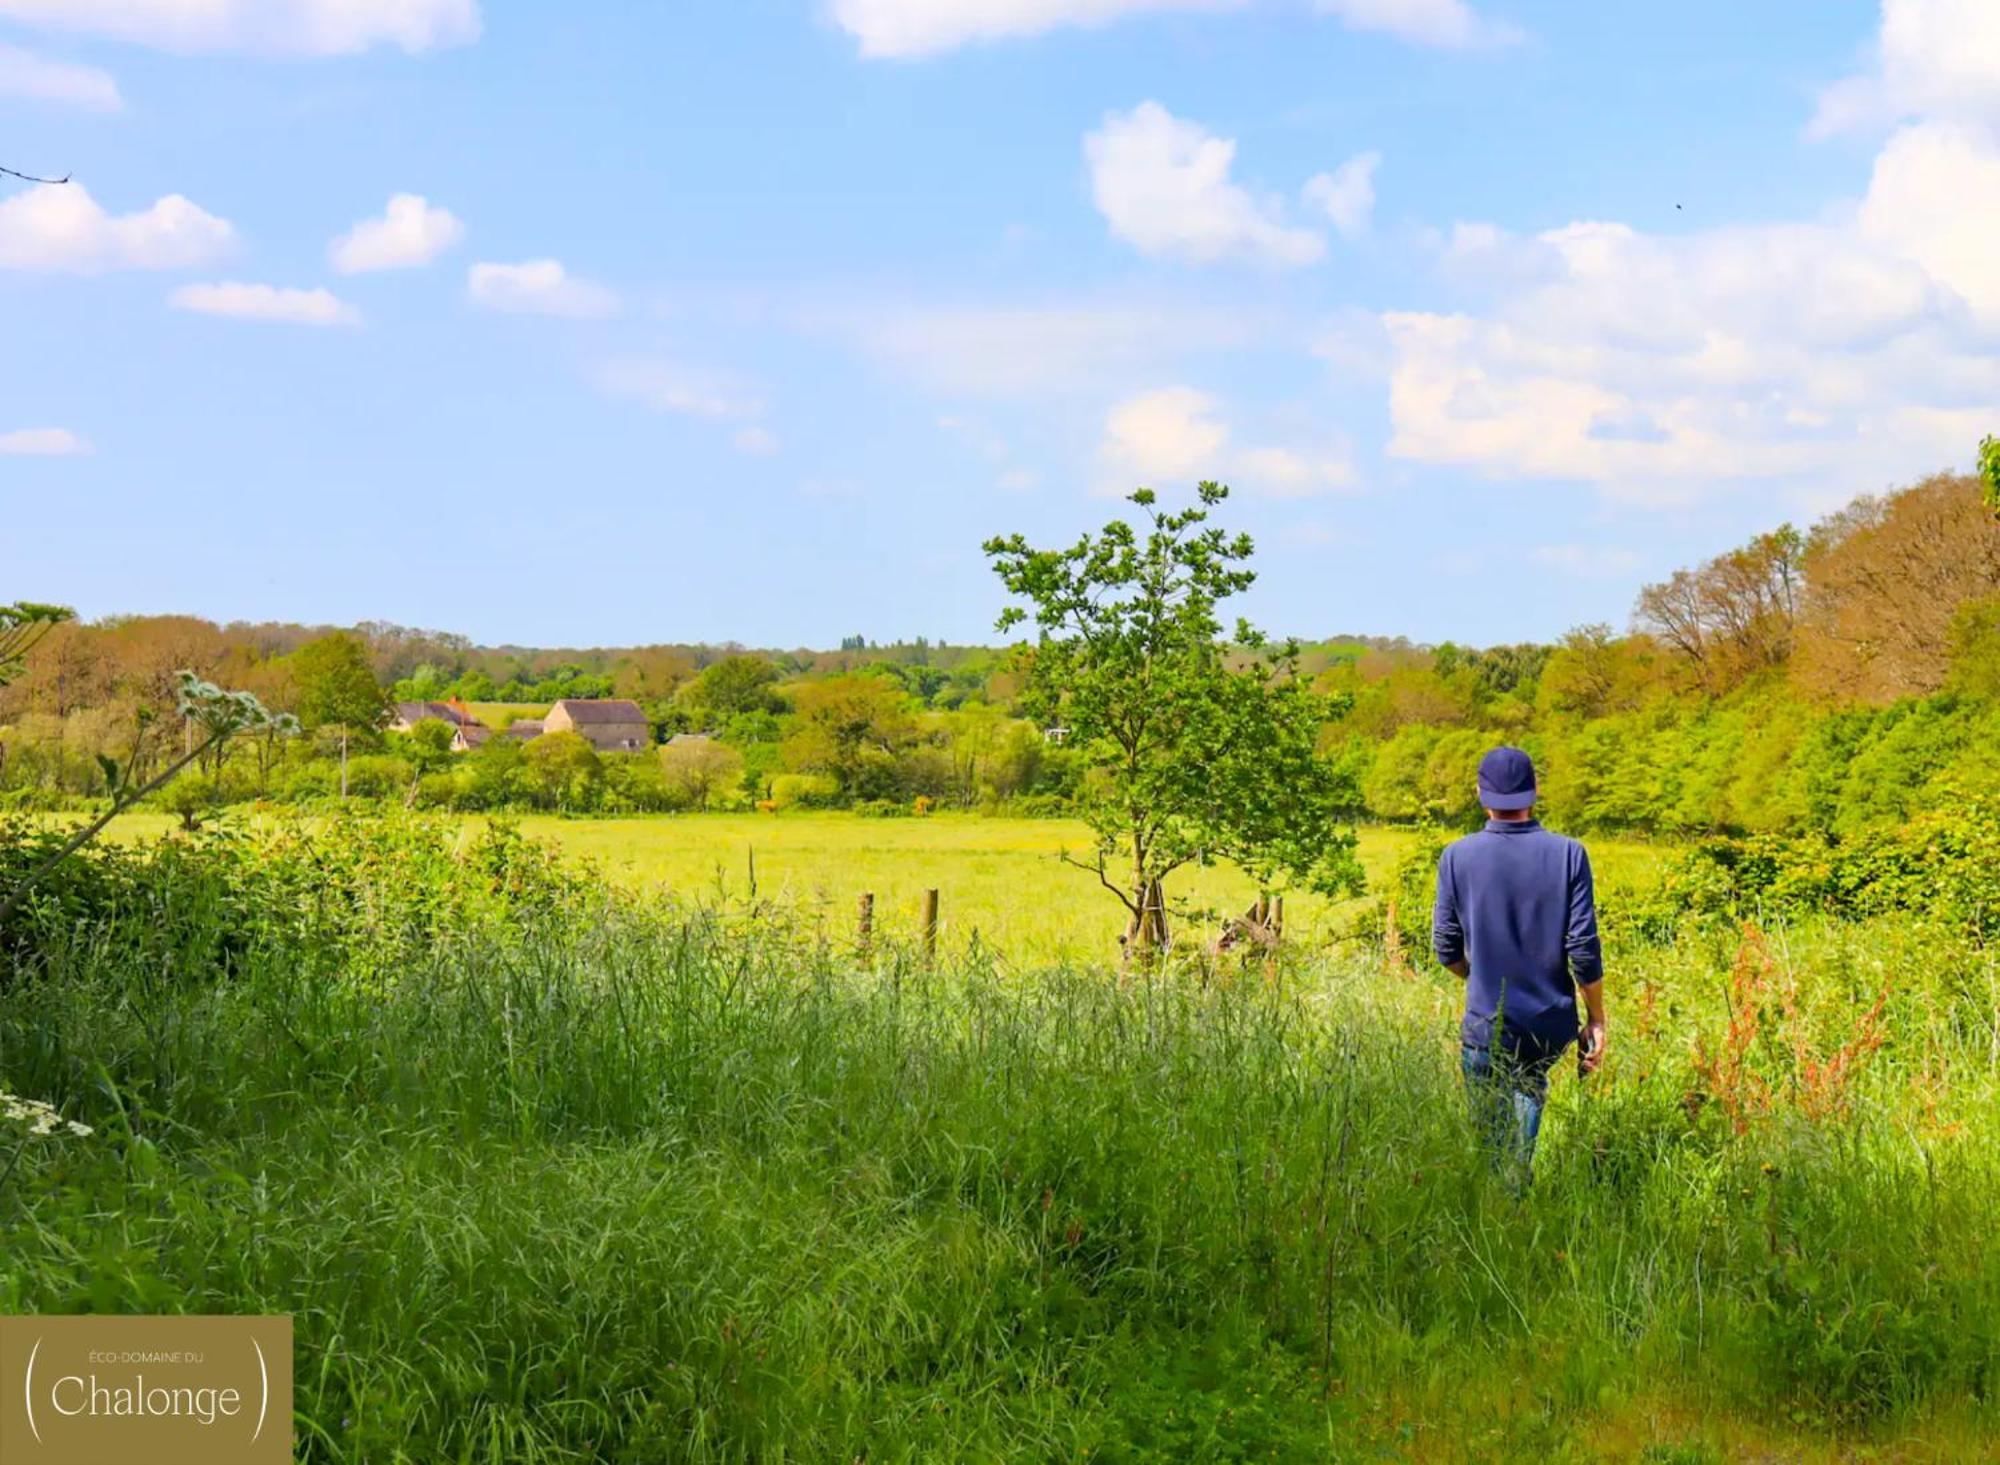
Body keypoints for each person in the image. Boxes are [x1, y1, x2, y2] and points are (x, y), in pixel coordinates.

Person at [1432, 746, 1605, 1189]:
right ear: (1535, 790)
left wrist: (1482, 976)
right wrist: (1597, 1019)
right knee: (1529, 1087)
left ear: (1479, 793)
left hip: (1487, 1021)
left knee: (1490, 1145)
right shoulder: (1570, 854)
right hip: (1548, 1024)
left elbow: (1445, 948)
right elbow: (1583, 947)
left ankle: (1500, 1203)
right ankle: (1516, 1187)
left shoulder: (1457, 856)